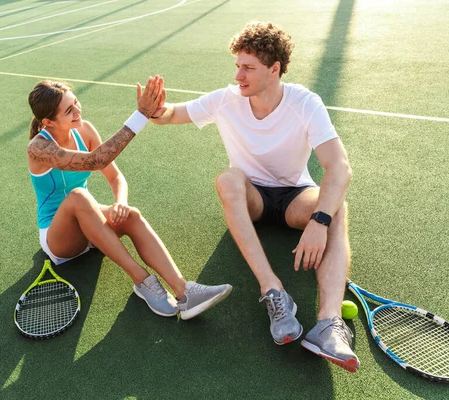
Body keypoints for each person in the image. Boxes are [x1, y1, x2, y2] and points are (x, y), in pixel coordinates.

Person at [150, 22, 359, 371]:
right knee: (228, 178)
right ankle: (274, 292)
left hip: (295, 196)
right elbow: (172, 115)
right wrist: (155, 109)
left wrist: (320, 220)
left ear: (274, 69)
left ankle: (328, 324)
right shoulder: (225, 100)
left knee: (336, 205)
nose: (238, 75)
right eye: (237, 65)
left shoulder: (305, 102)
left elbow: (340, 167)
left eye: (248, 67)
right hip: (253, 198)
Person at [26, 76, 232, 320]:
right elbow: (96, 160)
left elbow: (115, 177)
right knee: (79, 195)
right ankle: (142, 281)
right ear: (48, 121)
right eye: (69, 110)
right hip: (58, 239)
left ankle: (184, 291)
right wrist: (141, 115)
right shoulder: (38, 148)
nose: (78, 110)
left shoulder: (85, 129)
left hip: (89, 224)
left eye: (76, 102)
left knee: (131, 215)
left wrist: (120, 202)